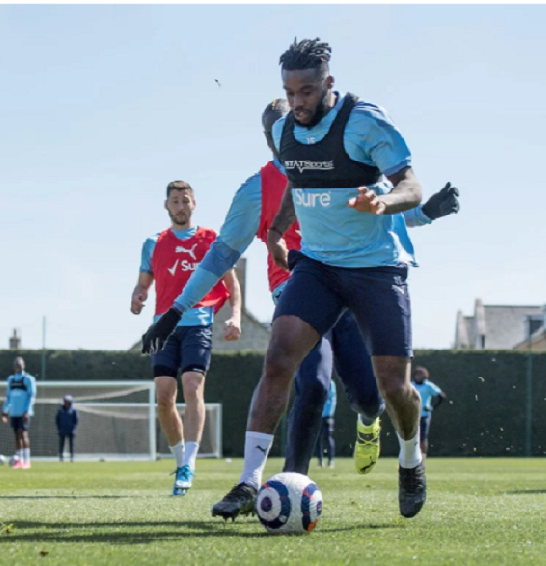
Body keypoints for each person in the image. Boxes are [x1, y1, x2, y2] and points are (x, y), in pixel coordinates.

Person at [143, 34, 460, 518]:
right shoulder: (288, 133)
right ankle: (250, 482)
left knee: (391, 387)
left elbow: (410, 185)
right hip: (317, 268)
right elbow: (286, 191)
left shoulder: (364, 120)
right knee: (279, 361)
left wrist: (387, 202)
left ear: (328, 83)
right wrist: (272, 232)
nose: (296, 104)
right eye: (289, 94)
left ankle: (412, 460)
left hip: (376, 269)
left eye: (306, 92)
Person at [132, 180, 242, 496]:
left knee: (193, 386)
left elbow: (232, 284)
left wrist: (234, 316)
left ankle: (190, 464)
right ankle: (180, 459)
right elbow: (142, 284)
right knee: (165, 396)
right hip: (164, 328)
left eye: (186, 200)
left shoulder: (211, 240)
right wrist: (138, 296)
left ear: (194, 204)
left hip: (199, 324)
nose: (181, 206)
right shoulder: (153, 243)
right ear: (167, 206)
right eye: (175, 201)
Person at [1, 356, 37, 469]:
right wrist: (4, 412)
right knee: (16, 436)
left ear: (23, 365)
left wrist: (26, 411)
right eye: (16, 363)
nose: (18, 365)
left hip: (23, 413)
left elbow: (32, 396)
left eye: (20, 364)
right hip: (14, 413)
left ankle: (27, 461)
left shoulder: (28, 379)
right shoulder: (10, 380)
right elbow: (8, 397)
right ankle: (19, 460)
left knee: (23, 434)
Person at [411, 366, 447, 460]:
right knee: (412, 437)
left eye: (420, 375)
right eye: (417, 375)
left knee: (423, 437)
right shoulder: (411, 385)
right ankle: (412, 456)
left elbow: (441, 396)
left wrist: (433, 407)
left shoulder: (428, 385)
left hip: (424, 415)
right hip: (412, 415)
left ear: (424, 376)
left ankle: (423, 457)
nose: (418, 377)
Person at [315, 379, 336, 468]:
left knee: (327, 437)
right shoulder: (317, 382)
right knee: (317, 439)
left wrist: (329, 413)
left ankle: (331, 460)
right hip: (317, 415)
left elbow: (333, 399)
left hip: (327, 415)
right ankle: (320, 461)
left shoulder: (331, 383)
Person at [56, 395, 79, 462]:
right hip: (62, 430)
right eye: (65, 402)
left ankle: (72, 457)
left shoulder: (73, 410)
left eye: (68, 402)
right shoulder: (60, 410)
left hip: (71, 430)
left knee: (71, 444)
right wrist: (59, 428)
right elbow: (57, 420)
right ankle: (61, 456)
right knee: (61, 444)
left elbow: (76, 420)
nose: (66, 403)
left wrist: (74, 428)